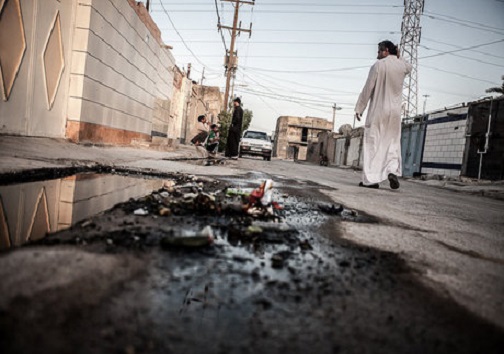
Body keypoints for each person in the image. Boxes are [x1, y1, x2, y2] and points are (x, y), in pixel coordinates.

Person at [354, 40, 412, 189]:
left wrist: (359, 108)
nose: (377, 54)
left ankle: (371, 180)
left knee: (373, 143)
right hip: (395, 114)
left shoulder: (378, 66)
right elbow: (408, 66)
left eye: (379, 51)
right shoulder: (401, 66)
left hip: (378, 112)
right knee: (392, 144)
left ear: (386, 50)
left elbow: (368, 88)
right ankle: (392, 170)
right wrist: (398, 56)